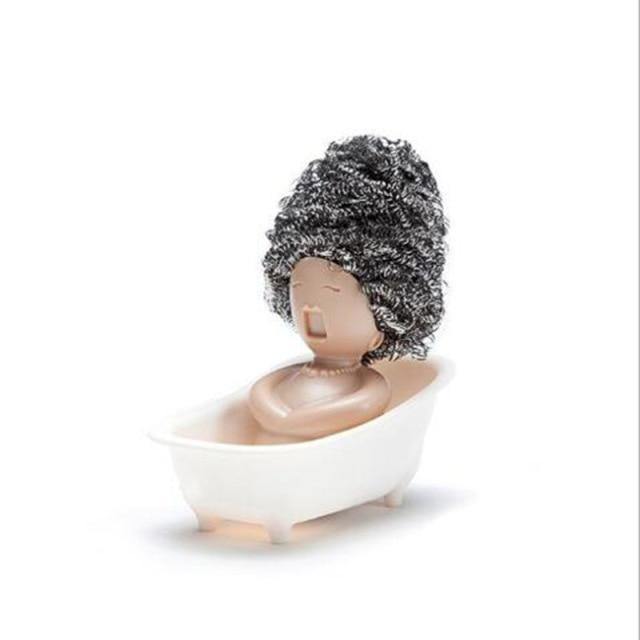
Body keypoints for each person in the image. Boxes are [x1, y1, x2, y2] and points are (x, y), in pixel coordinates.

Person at [249, 135, 447, 440]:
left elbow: (359, 407)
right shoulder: (288, 377)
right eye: (298, 287)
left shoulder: (368, 386)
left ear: (381, 327)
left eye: (332, 293)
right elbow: (258, 394)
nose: (309, 308)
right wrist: (270, 409)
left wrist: (288, 418)